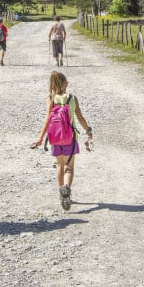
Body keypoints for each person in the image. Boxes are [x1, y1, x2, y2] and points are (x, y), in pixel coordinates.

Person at [30, 71, 92, 211]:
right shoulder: (72, 98)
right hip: (70, 138)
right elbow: (80, 117)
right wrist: (88, 130)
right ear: (63, 83)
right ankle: (67, 188)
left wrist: (40, 139)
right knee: (69, 167)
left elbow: (47, 119)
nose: (68, 83)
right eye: (66, 81)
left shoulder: (50, 99)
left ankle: (61, 193)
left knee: (60, 165)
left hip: (55, 138)